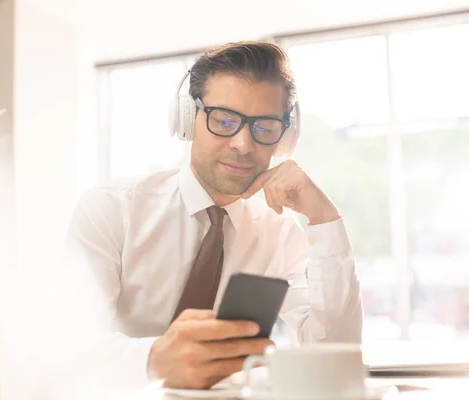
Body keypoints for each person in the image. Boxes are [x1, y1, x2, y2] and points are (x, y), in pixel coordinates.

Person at [65, 40, 363, 391]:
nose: (243, 144)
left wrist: (324, 218)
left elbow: (334, 355)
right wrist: (156, 358)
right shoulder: (112, 210)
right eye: (223, 120)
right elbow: (69, 348)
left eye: (264, 128)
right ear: (188, 120)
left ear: (285, 137)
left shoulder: (279, 233)